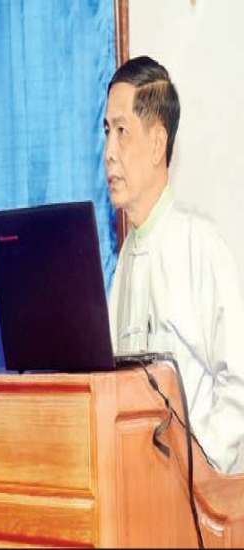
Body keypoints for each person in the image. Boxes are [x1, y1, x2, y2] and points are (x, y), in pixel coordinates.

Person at [105, 56, 244, 475]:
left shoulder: (200, 245)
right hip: (137, 485)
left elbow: (238, 384)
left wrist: (196, 469)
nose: (109, 153)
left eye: (122, 132)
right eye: (106, 132)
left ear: (157, 143)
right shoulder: (125, 259)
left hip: (195, 493)